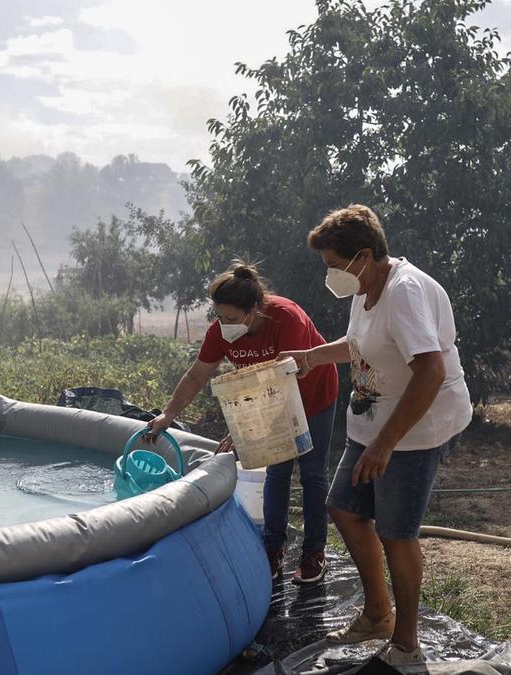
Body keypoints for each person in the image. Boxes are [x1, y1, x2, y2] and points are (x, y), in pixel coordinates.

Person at [283, 204, 472, 667]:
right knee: (343, 507)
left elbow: (429, 371)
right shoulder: (365, 285)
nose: (329, 274)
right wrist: (312, 356)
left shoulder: (405, 292)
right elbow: (358, 345)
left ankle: (406, 642)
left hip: (413, 428)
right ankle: (377, 613)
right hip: (372, 420)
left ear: (363, 255)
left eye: (332, 265)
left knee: (396, 532)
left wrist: (386, 444)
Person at [147, 261, 339, 585]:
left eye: (231, 318)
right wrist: (169, 414)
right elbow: (197, 375)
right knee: (277, 473)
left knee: (312, 474)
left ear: (253, 310)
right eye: (219, 317)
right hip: (270, 399)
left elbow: (282, 384)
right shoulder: (221, 332)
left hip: (313, 396)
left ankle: (314, 553)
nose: (224, 324)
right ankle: (273, 548)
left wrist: (245, 430)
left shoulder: (286, 319)